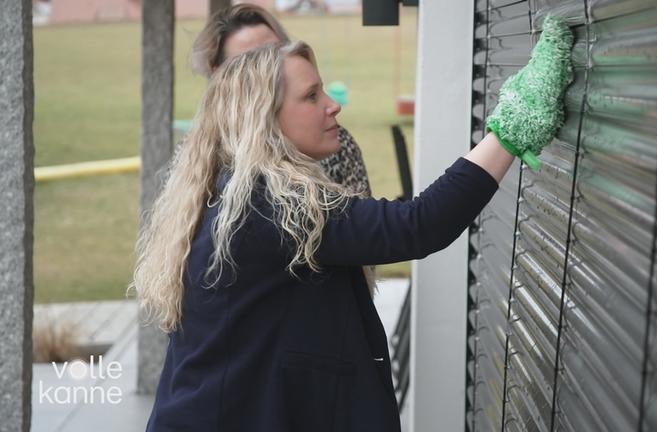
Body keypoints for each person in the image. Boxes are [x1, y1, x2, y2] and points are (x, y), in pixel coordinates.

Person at [134, 15, 572, 432]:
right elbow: (417, 225)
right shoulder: (267, 203)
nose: (332, 106)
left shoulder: (235, 191)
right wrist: (510, 130)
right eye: (311, 97)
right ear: (263, 119)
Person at [190, 3, 370, 197]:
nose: (267, 65)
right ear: (219, 75)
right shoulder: (200, 156)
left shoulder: (335, 142)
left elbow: (364, 219)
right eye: (248, 61)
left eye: (276, 50)